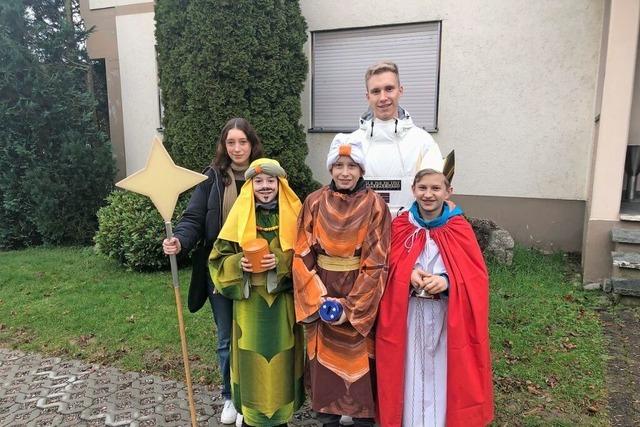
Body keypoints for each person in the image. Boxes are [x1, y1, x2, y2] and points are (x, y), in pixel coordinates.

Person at [375, 150, 494, 427]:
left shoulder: (459, 227)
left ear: (448, 190)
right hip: (410, 315)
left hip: (446, 316)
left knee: (443, 372)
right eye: (423, 188)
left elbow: (476, 276)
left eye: (436, 188)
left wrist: (448, 281)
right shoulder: (402, 225)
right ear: (414, 189)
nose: (429, 194)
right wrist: (408, 273)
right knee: (410, 371)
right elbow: (387, 266)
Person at [162, 117, 264, 425]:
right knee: (226, 337)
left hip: (257, 268)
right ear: (224, 145)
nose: (236, 148)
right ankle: (230, 396)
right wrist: (179, 239)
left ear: (251, 144)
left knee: (254, 336)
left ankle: (253, 397)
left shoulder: (265, 176)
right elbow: (193, 217)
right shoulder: (212, 178)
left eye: (242, 142)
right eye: (230, 142)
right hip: (219, 268)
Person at [293, 138, 391, 427]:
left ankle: (362, 418)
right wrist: (317, 297)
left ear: (361, 170)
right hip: (321, 287)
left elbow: (377, 261)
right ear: (331, 168)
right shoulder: (314, 201)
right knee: (325, 366)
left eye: (352, 166)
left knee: (361, 361)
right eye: (338, 165)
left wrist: (352, 307)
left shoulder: (375, 205)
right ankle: (329, 418)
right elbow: (300, 252)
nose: (345, 172)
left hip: (359, 291)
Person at [209, 158, 305, 427]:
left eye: (270, 181)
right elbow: (218, 259)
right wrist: (238, 264)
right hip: (249, 306)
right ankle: (251, 418)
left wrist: (281, 262)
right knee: (251, 362)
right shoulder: (239, 216)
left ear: (280, 184)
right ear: (250, 185)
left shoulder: (296, 215)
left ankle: (281, 418)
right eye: (258, 181)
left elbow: (308, 257)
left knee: (281, 363)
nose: (265, 186)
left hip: (282, 306)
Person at [333, 60, 442, 217]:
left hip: (409, 234)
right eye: (376, 91)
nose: (383, 97)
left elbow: (434, 194)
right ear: (368, 96)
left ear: (400, 90)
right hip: (364, 235)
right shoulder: (351, 142)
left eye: (389, 89)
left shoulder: (423, 142)